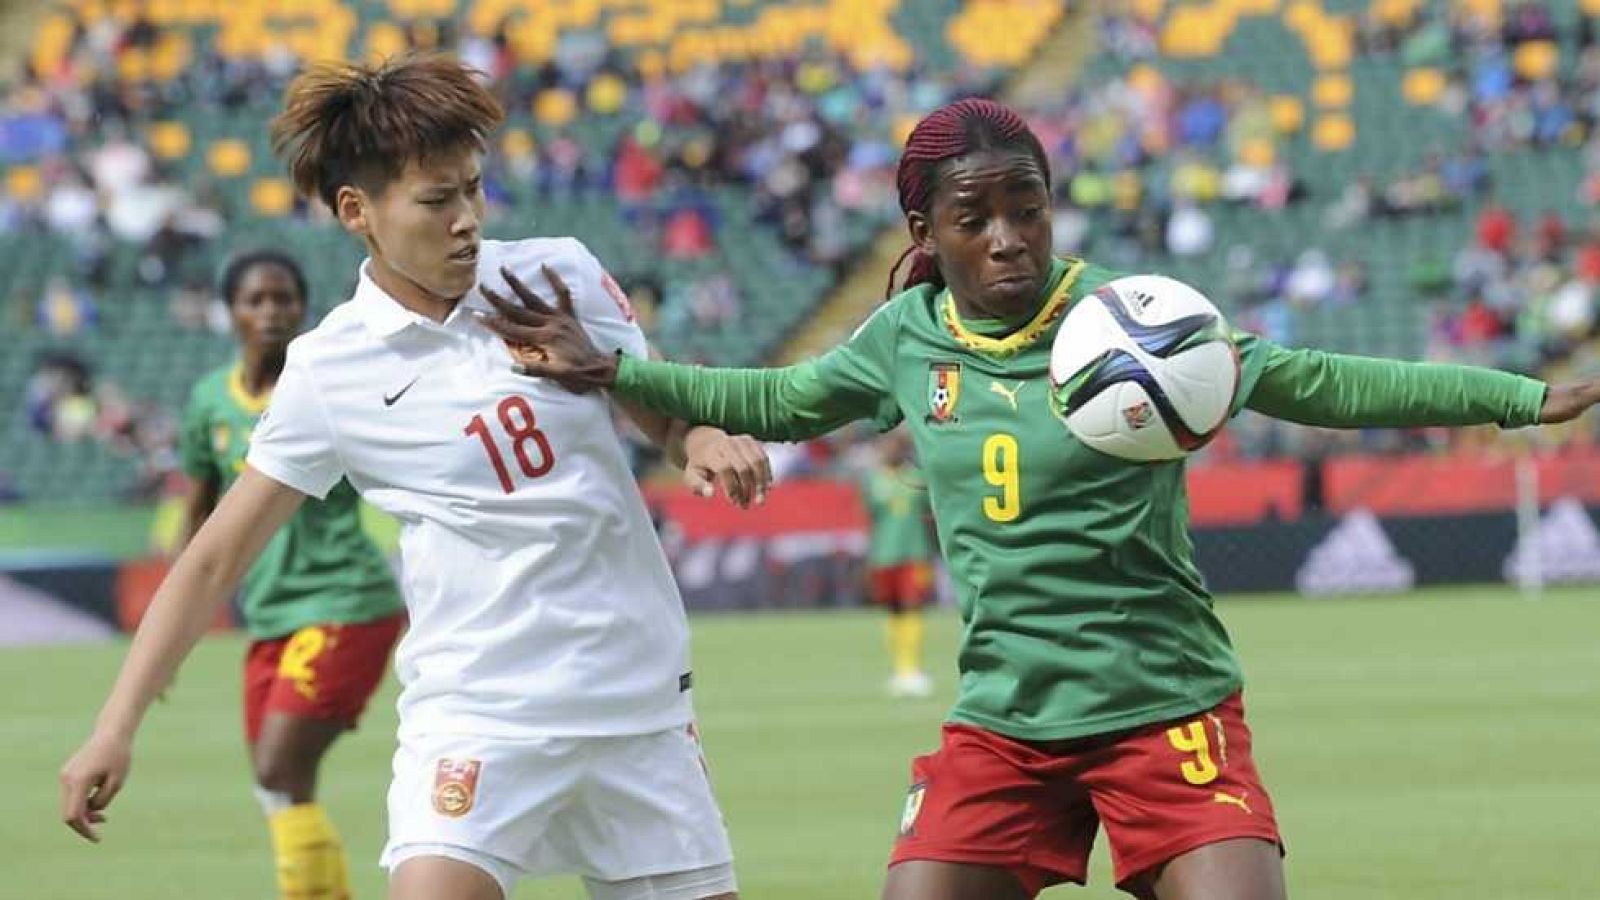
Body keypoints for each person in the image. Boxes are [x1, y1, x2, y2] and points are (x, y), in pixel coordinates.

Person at [478, 97, 1600, 900]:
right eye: (976, 217)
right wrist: (617, 369)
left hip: (1168, 713)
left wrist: (1522, 395)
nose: (1008, 235)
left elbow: (1314, 378)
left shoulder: (1134, 319)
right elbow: (773, 397)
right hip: (1007, 727)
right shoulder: (905, 340)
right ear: (925, 233)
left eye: (1028, 207)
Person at [60, 54, 772, 900]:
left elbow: (659, 410)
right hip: (477, 713)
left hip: (637, 705)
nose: (468, 219)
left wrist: (700, 436)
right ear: (357, 211)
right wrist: (115, 726)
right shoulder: (331, 370)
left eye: (473, 189)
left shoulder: (558, 273)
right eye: (438, 200)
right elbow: (214, 559)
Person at [177, 249, 406, 900]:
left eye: (285, 299)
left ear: (306, 309)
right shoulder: (207, 403)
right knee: (277, 786)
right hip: (270, 611)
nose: (272, 312)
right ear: (231, 313)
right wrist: (177, 631)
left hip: (345, 599)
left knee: (280, 764)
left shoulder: (329, 385)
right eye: (256, 300)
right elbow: (197, 517)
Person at [857, 428, 936, 698]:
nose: (889, 450)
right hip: (884, 555)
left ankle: (911, 669)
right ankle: (899, 669)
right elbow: (871, 520)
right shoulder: (871, 480)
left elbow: (932, 513)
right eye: (885, 445)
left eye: (894, 445)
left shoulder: (917, 478)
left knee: (913, 607)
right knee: (891, 611)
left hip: (915, 552)